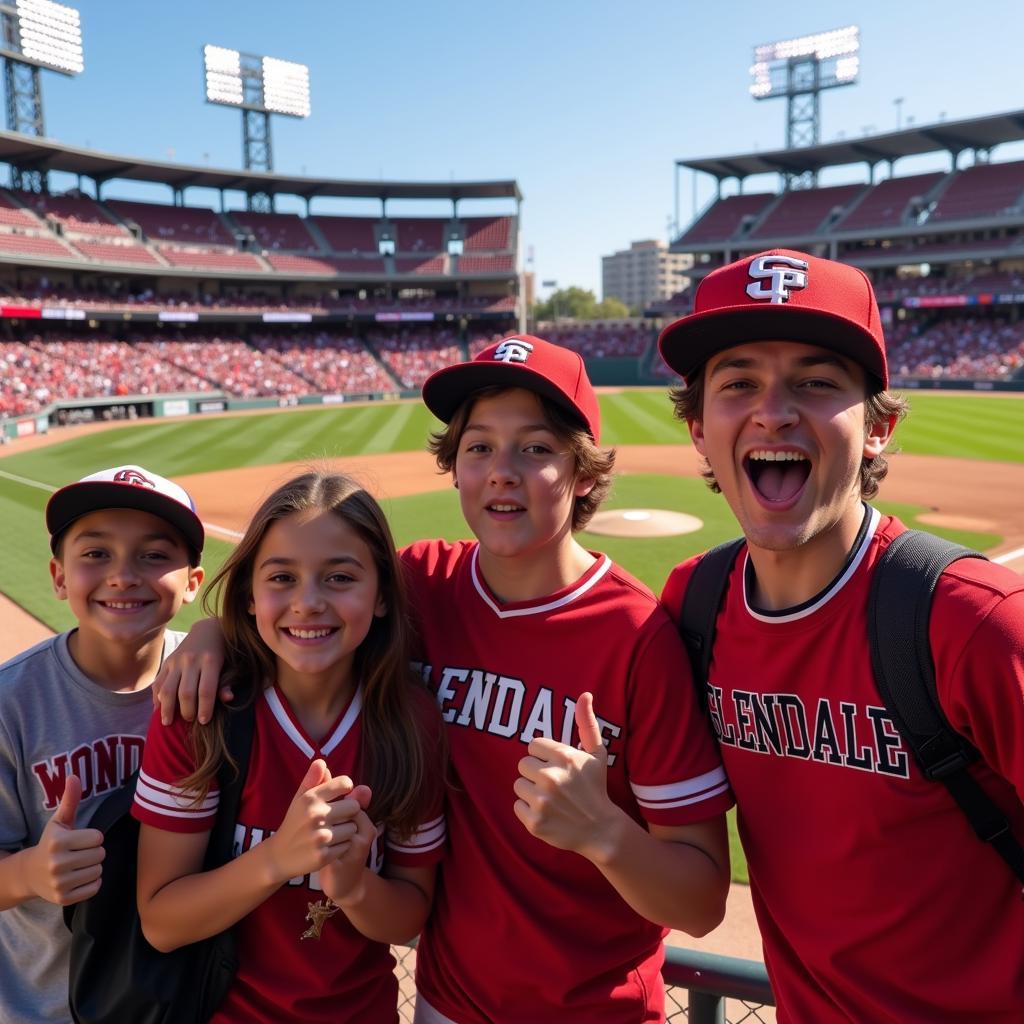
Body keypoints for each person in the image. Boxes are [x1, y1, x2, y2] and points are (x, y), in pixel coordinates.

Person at [154, 336, 733, 1024]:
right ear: (454, 468)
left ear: (583, 475)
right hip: (445, 1004)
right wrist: (212, 631)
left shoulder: (637, 638)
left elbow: (700, 904)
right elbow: (308, 588)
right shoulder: (421, 583)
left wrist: (605, 831)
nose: (502, 472)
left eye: (536, 449)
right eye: (479, 446)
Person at [657, 248, 1024, 1023]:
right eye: (738, 383)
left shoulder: (975, 621)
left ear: (879, 428)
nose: (773, 410)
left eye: (817, 383)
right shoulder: (694, 602)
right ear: (697, 428)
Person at [133, 471, 446, 1024]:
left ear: (380, 598)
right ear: (249, 596)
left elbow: (406, 919)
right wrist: (278, 857)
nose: (307, 602)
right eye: (281, 577)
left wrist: (353, 885)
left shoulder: (409, 722)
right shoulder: (201, 714)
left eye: (340, 577)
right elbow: (161, 922)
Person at [0, 464, 205, 1024]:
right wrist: (26, 874)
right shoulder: (11, 704)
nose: (122, 575)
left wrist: (216, 633)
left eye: (154, 555)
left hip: (181, 999)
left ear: (192, 583)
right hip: (47, 1007)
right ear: (59, 576)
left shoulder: (213, 675)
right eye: (95, 554)